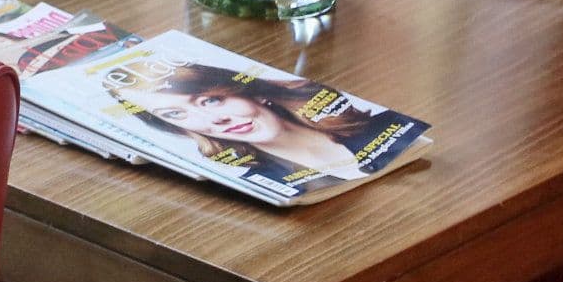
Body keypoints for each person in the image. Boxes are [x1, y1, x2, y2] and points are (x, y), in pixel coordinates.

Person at [120, 62, 373, 182]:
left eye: (210, 100)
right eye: (176, 114)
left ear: (252, 91)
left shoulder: (376, 129)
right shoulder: (255, 180)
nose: (215, 120)